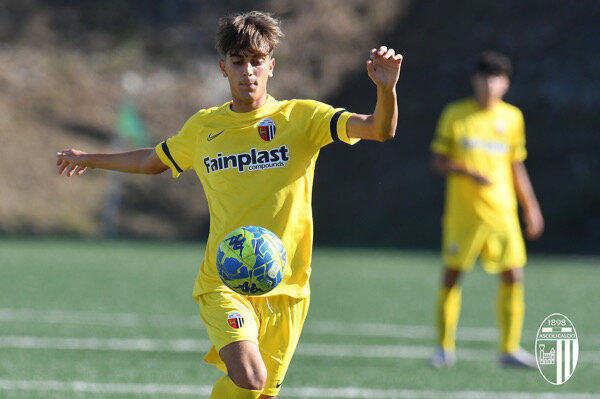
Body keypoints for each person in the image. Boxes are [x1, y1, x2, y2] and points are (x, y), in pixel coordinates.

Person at [56, 11, 403, 399]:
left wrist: (385, 89)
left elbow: (378, 130)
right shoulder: (204, 129)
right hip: (226, 280)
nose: (248, 71)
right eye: (238, 62)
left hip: (288, 288)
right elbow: (152, 161)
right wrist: (91, 158)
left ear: (271, 66)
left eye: (256, 61)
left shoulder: (303, 118)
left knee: (258, 395)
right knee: (250, 377)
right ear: (224, 68)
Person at [429, 51, 544, 368]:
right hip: (464, 215)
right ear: (474, 80)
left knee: (513, 275)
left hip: (502, 214)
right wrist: (468, 172)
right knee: (452, 275)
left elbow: (516, 165)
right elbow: (438, 160)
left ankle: (509, 349)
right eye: (485, 76)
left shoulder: (512, 118)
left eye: (497, 77)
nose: (490, 83)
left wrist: (531, 208)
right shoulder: (456, 114)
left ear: (505, 84)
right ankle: (443, 347)